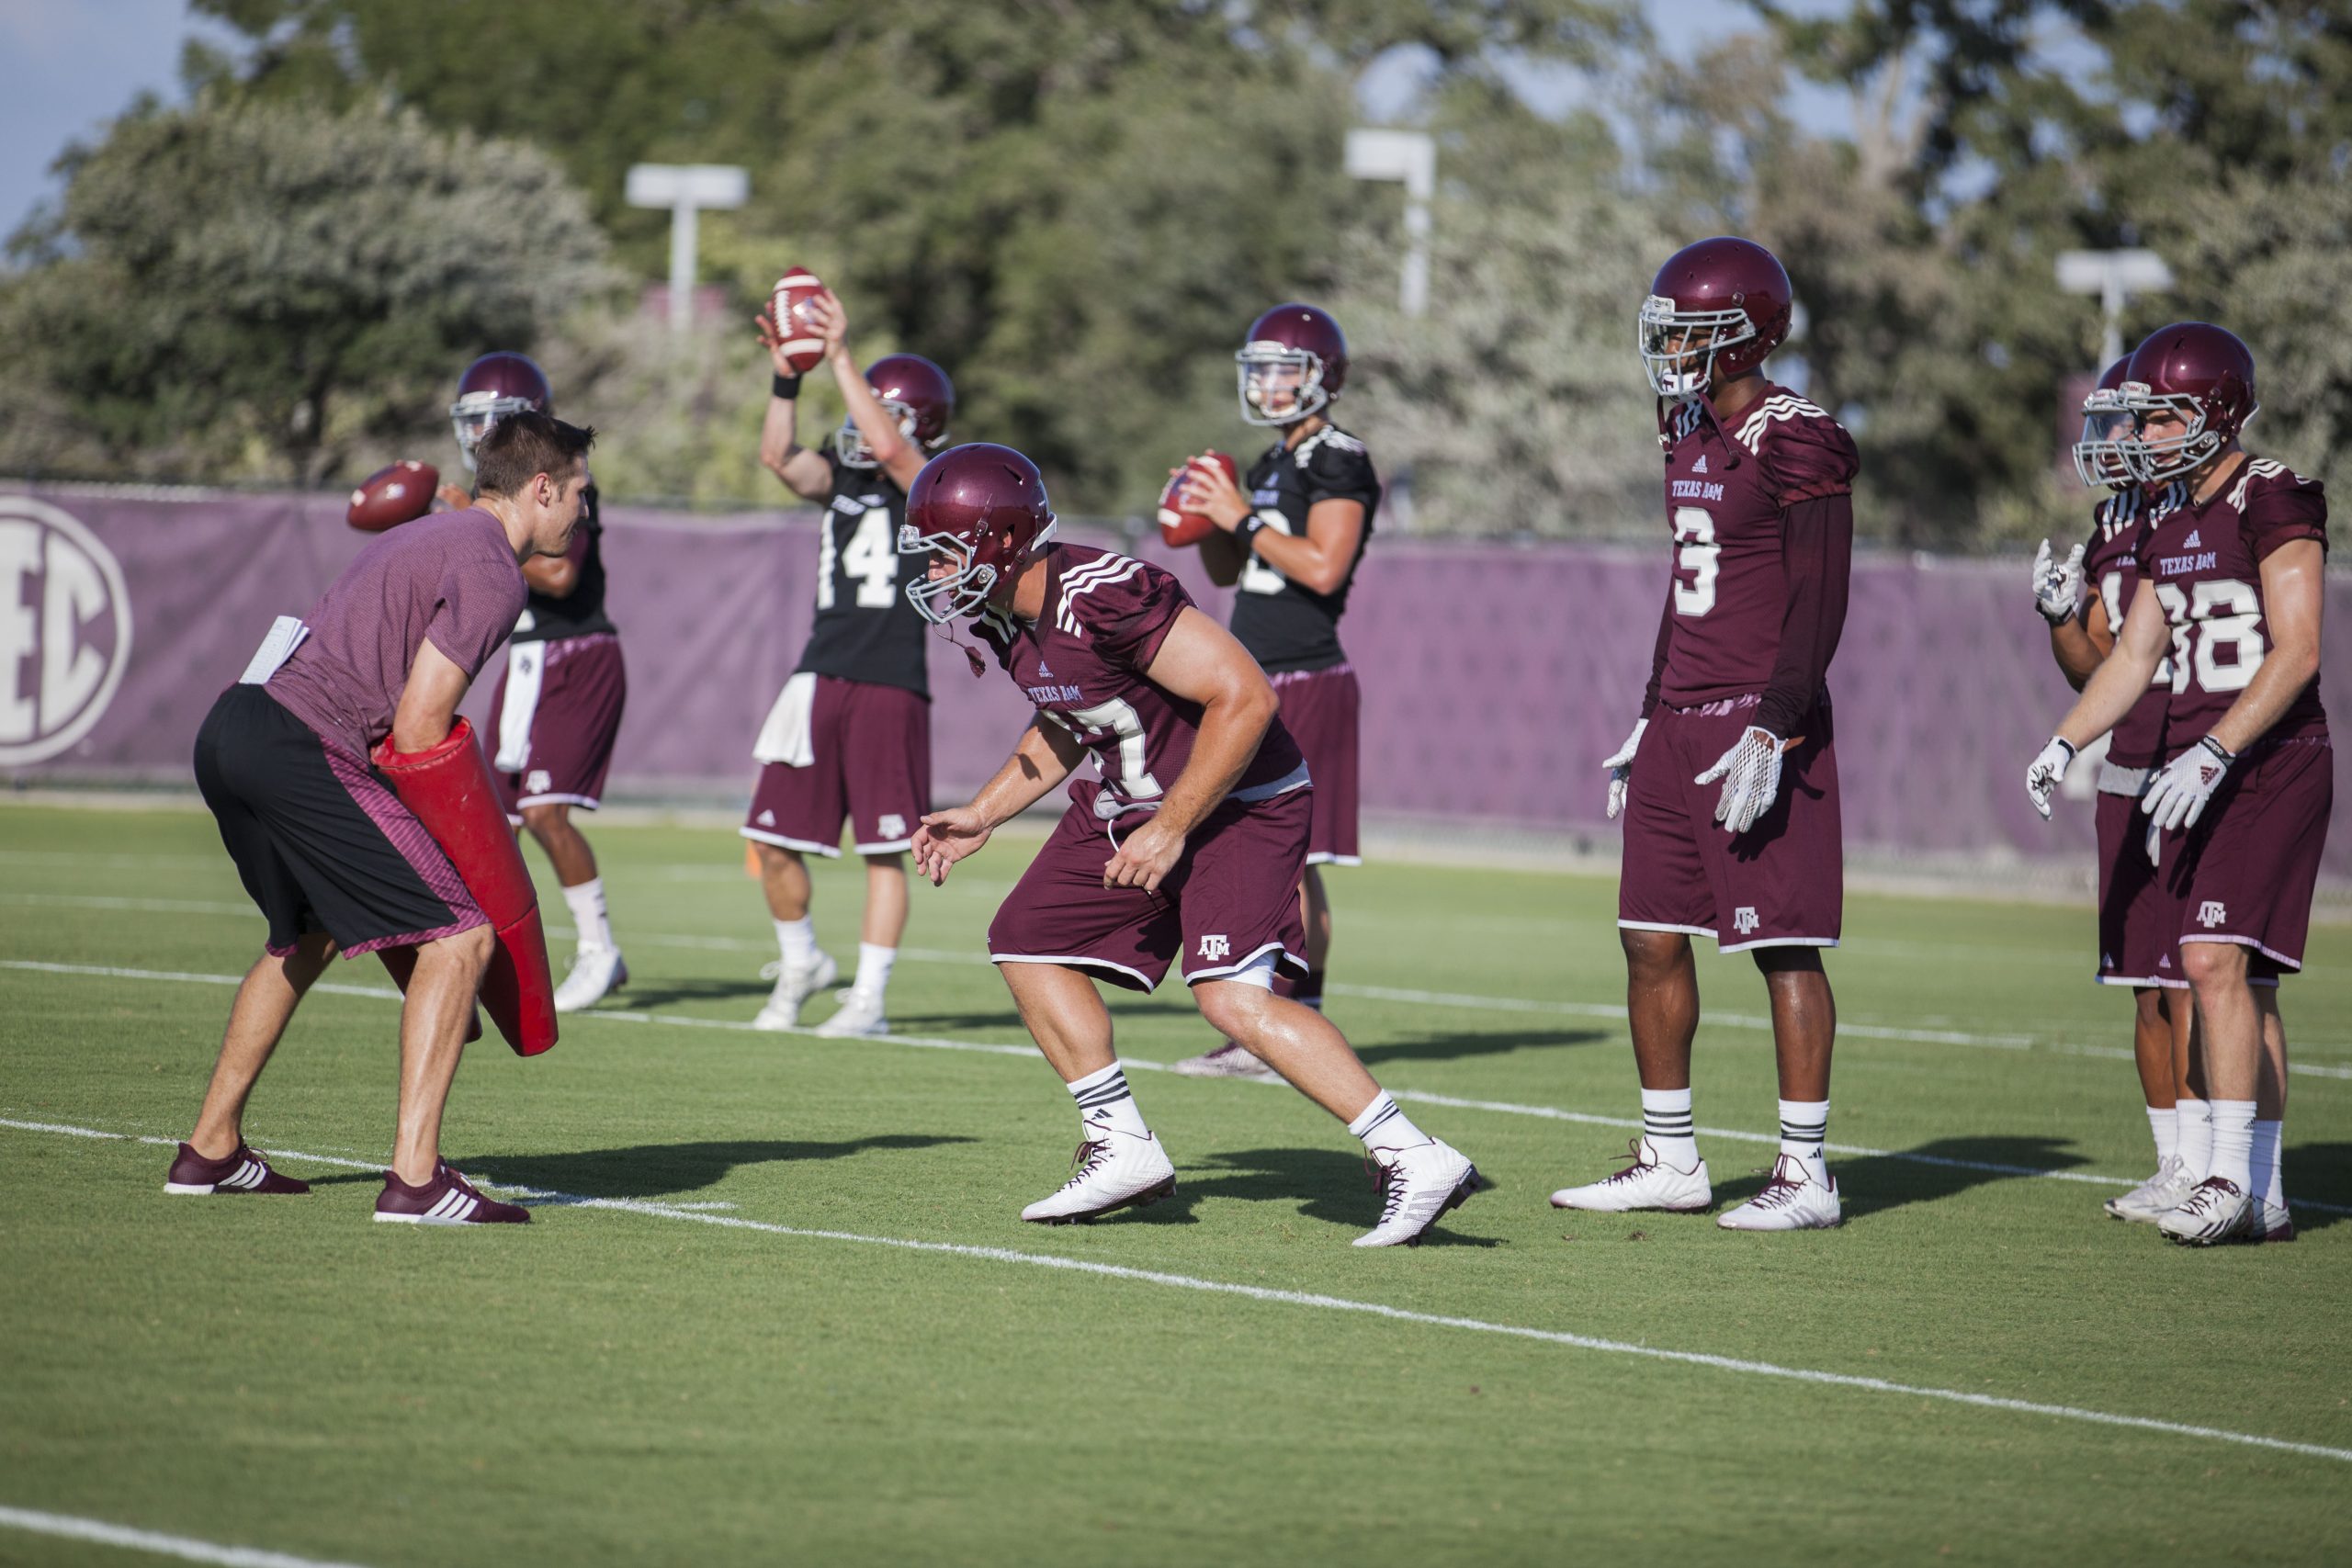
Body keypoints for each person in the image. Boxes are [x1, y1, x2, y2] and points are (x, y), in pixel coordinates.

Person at [899, 444, 1479, 1247]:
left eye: (943, 549)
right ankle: (1123, 1145)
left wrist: (1172, 827)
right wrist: (987, 810)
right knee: (1025, 940)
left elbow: (1246, 697)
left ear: (999, 539)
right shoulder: (1003, 616)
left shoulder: (1103, 594)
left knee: (1231, 998)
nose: (932, 570)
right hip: (1131, 803)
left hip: (1237, 802)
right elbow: (1071, 719)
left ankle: (1413, 1154)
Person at [175, 412, 594, 1224]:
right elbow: (417, 727)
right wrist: (460, 845)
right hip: (303, 745)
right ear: (542, 488)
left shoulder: (435, 535)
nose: (584, 511)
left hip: (234, 725)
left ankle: (211, 1150)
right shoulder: (495, 569)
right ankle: (416, 1180)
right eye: (580, 492)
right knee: (460, 936)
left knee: (303, 936)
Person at [1549, 236, 1859, 1232]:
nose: (1675, 346)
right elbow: (1684, 589)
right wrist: (1648, 708)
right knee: (1647, 935)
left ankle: (1806, 1173)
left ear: (1748, 335)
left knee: (1782, 945)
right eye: (1668, 327)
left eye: (1694, 329)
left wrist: (1777, 723)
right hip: (1680, 714)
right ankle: (1670, 1157)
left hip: (1758, 719)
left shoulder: (1799, 434)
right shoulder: (1679, 421)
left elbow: (1819, 600)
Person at [2027, 321, 2326, 1246]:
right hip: (2195, 766)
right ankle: (2264, 1188)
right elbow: (2132, 659)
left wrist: (2215, 750)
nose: (2145, 437)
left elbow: (2300, 647)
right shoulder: (2166, 518)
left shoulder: (2268, 496)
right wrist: (2064, 742)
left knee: (2206, 962)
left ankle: (2225, 1178)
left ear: (2215, 413)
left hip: (2264, 760)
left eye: (2160, 419)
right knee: (2243, 979)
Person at [1168, 304, 1378, 1081]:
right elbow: (1230, 572)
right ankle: (1264, 1019)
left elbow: (1323, 566)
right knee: (1254, 851)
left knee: (1299, 856)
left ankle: (1297, 1013)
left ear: (1321, 375)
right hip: (1253, 675)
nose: (1266, 382)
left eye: (1281, 367)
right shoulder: (1269, 461)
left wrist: (1241, 515)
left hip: (1306, 671)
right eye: (1257, 367)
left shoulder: (1340, 458)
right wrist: (1211, 518)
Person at [742, 283, 953, 1036]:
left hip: (890, 677)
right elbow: (777, 455)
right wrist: (788, 374)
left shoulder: (925, 486)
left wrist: (838, 354)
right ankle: (801, 960)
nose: (865, 424)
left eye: (881, 407)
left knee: (885, 848)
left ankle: (869, 998)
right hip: (818, 670)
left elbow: (896, 450)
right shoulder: (843, 478)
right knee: (769, 838)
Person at [2030, 356, 2204, 1222]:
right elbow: (2097, 672)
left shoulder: (2213, 514)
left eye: (2136, 421)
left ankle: (2216, 1165)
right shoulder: (2110, 524)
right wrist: (2063, 617)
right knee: (2143, 982)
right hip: (2130, 768)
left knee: (2195, 980)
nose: (2120, 440)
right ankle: (2172, 1163)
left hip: (2201, 765)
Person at [438, 353, 631, 1013]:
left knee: (547, 811)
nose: (473, 435)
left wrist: (471, 520)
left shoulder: (563, 480)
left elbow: (558, 576)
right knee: (498, 824)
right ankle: (494, 961)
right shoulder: (492, 496)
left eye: (485, 421)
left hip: (573, 653)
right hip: (526, 660)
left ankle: (600, 950)